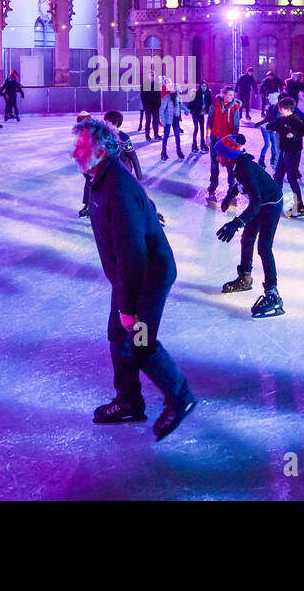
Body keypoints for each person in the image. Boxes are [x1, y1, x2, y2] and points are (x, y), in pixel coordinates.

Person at [73, 117, 197, 440]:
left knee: (140, 343)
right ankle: (129, 400)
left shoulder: (116, 186)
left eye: (81, 146)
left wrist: (129, 306)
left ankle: (180, 397)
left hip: (146, 277)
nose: (75, 153)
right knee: (118, 336)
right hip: (128, 277)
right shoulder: (100, 178)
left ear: (100, 151)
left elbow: (133, 253)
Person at [214, 133, 286, 317]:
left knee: (264, 247)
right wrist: (230, 196)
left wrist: (235, 223)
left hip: (270, 204)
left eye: (220, 154)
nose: (217, 157)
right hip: (261, 202)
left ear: (229, 156)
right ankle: (245, 278)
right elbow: (239, 184)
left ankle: (273, 293)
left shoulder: (244, 167)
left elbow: (256, 202)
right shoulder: (237, 165)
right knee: (247, 239)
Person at [259, 95, 304, 218]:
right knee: (278, 175)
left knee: (292, 179)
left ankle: (300, 207)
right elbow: (274, 125)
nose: (279, 110)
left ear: (287, 109)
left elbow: (303, 130)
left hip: (293, 152)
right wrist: (266, 125)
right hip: (284, 152)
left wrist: (294, 134)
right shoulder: (282, 120)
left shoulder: (295, 119)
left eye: (281, 109)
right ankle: (275, 199)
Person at [206, 85, 243, 200]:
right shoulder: (215, 104)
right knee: (214, 164)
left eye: (233, 95)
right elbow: (209, 121)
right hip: (215, 138)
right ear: (223, 95)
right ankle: (212, 187)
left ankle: (231, 189)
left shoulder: (235, 108)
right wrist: (207, 136)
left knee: (229, 166)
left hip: (227, 141)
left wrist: (234, 141)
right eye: (230, 95)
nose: (232, 97)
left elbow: (236, 126)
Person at [103, 110, 143, 179]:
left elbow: (133, 156)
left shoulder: (124, 138)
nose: (105, 125)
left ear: (115, 123)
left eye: (107, 123)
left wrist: (139, 175)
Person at [158, 88, 188, 161]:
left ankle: (179, 151)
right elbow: (161, 109)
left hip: (176, 119)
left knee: (177, 136)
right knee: (166, 136)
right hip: (168, 120)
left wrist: (187, 110)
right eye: (178, 93)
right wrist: (163, 120)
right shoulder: (167, 98)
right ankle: (163, 152)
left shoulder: (178, 98)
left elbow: (181, 105)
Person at [186, 80, 212, 152]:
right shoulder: (196, 93)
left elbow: (210, 102)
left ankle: (202, 144)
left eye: (205, 86)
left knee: (202, 129)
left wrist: (209, 110)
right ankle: (194, 145)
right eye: (202, 86)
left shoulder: (208, 93)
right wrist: (188, 110)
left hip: (202, 113)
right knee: (196, 128)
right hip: (196, 113)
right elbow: (191, 102)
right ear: (200, 86)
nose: (204, 87)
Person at [139, 72, 162, 141]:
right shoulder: (145, 84)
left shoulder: (156, 84)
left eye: (153, 76)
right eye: (151, 75)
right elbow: (143, 96)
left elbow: (158, 95)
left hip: (155, 106)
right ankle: (147, 135)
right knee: (148, 121)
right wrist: (145, 106)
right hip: (148, 106)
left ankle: (156, 134)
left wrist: (158, 104)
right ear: (148, 76)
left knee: (155, 121)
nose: (152, 77)